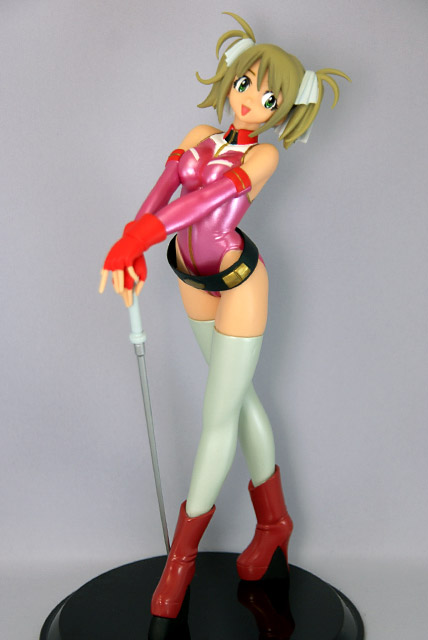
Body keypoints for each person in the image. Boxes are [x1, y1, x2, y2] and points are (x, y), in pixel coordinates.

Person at [99, 12, 350, 619]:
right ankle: (276, 522)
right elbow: (162, 191)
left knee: (217, 419)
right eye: (245, 84)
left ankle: (180, 560)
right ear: (231, 78)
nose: (251, 101)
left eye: (269, 98)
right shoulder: (197, 136)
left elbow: (210, 200)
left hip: (239, 282)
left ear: (283, 110)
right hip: (190, 278)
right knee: (238, 401)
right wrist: (133, 243)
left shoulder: (264, 156)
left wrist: (141, 237)